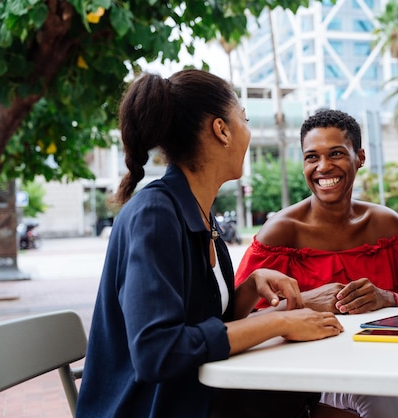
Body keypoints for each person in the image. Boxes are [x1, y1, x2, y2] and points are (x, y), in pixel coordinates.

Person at [75, 69, 346, 418]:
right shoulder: (155, 214)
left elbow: (202, 329)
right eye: (243, 118)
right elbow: (158, 351)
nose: (247, 131)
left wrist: (248, 290)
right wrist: (278, 323)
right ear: (221, 130)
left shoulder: (199, 214)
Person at [235, 109, 398, 418]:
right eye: (311, 157)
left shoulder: (385, 225)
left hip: (377, 368)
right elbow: (238, 323)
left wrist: (387, 298)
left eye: (335, 154)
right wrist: (305, 303)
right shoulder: (281, 230)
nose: (323, 167)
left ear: (359, 157)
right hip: (301, 378)